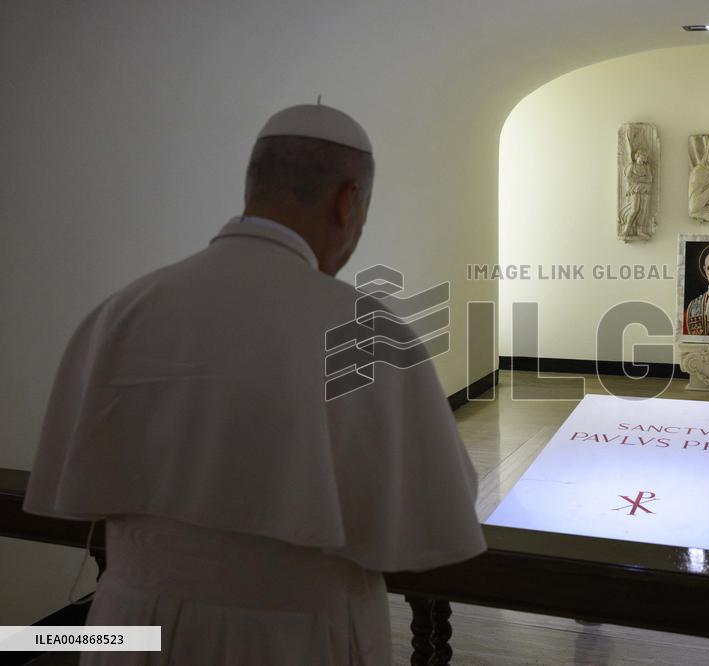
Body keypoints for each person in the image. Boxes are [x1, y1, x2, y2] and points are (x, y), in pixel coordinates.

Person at [23, 103, 487, 664]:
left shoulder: (123, 309)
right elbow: (435, 510)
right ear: (349, 202)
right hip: (289, 639)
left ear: (252, 186)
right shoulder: (363, 330)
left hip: (125, 623)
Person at [617, 149, 653, 239]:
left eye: (645, 157)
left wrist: (637, 178)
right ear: (637, 156)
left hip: (645, 189)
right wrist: (642, 179)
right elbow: (628, 179)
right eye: (642, 157)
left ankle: (640, 230)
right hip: (635, 189)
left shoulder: (646, 167)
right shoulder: (632, 166)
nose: (644, 159)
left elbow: (650, 179)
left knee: (644, 210)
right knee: (635, 209)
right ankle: (626, 230)